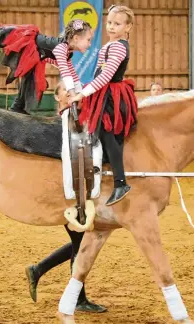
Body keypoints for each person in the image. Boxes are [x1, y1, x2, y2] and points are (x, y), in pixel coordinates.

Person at [24, 81, 107, 313]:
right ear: (58, 98)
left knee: (78, 242)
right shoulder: (63, 122)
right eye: (66, 92)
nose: (72, 95)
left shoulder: (74, 119)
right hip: (67, 192)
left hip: (73, 189)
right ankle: (76, 298)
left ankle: (38, 269)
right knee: (81, 243)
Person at [69, 4, 138, 206]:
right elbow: (99, 74)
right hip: (104, 93)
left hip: (112, 95)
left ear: (128, 27)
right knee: (102, 133)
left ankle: (121, 182)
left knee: (108, 133)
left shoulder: (118, 46)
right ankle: (106, 170)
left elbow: (107, 75)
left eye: (117, 24)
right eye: (109, 23)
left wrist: (83, 93)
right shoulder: (110, 45)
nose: (111, 27)